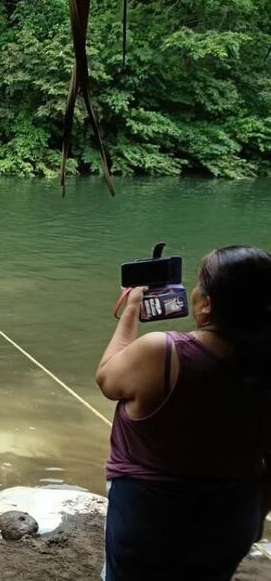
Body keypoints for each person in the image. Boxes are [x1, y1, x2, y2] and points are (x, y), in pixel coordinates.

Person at [96, 246, 271, 581]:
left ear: (206, 304)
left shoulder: (163, 352)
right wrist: (257, 514)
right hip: (233, 515)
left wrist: (132, 309)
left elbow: (107, 378)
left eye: (198, 284)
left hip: (153, 513)